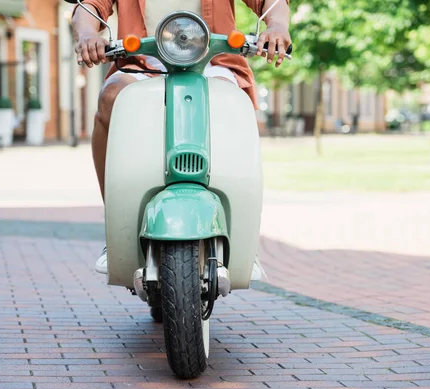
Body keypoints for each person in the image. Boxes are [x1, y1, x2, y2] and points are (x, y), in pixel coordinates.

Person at [71, 0, 291, 278]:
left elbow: (271, 2)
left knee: (231, 102)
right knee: (111, 97)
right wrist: (88, 34)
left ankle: (244, 236)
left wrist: (278, 25)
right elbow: (89, 6)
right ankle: (117, 227)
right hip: (141, 64)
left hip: (213, 63)